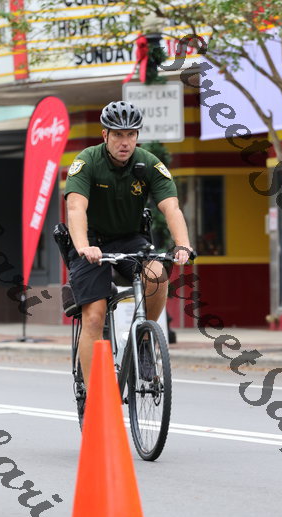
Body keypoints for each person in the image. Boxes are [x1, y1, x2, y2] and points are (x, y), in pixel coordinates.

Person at [64, 100, 193, 388]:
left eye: (131, 134)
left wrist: (183, 244)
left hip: (129, 237)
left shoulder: (149, 163)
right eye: (118, 135)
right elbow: (75, 209)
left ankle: (144, 339)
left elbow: (171, 207)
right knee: (94, 317)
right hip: (91, 240)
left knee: (157, 274)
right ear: (105, 135)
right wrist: (84, 246)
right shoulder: (87, 161)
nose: (125, 142)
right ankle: (94, 395)